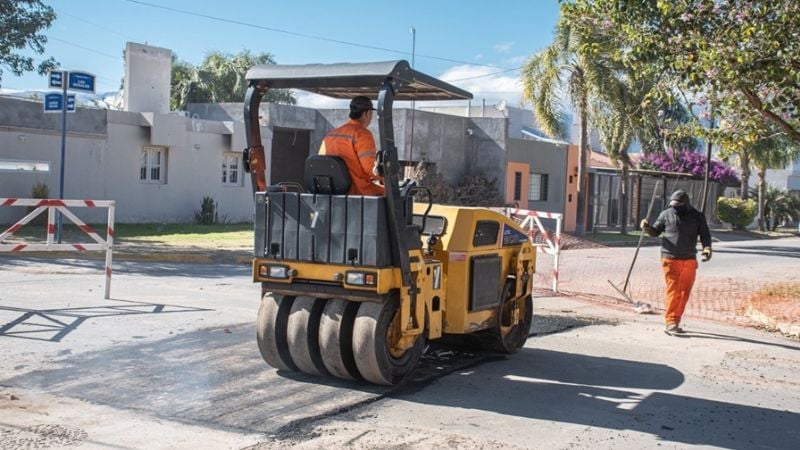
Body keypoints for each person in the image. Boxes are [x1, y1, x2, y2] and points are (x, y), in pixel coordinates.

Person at [641, 190, 712, 335]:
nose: (675, 207)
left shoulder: (697, 216)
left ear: (686, 203)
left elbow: (705, 234)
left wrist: (707, 248)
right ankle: (671, 321)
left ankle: (676, 319)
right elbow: (655, 232)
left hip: (689, 259)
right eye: (673, 204)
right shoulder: (666, 214)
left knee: (684, 292)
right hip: (670, 258)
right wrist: (647, 227)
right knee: (674, 290)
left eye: (678, 205)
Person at [318, 96, 384, 196]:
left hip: (333, 192)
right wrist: (388, 178)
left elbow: (322, 162)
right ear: (367, 113)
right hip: (358, 191)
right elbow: (370, 169)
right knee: (395, 195)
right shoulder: (362, 134)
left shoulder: (330, 135)